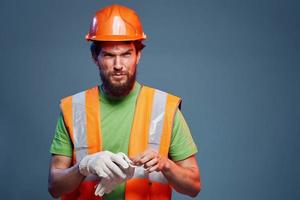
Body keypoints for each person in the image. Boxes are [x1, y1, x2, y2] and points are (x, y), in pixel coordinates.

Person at [48, 4, 201, 200]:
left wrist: (165, 164)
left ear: (138, 55)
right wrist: (83, 166)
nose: (118, 65)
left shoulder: (165, 107)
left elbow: (194, 186)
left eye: (126, 54)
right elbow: (54, 187)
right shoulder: (74, 109)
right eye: (109, 55)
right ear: (95, 57)